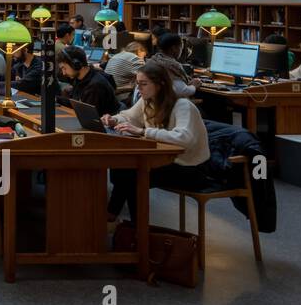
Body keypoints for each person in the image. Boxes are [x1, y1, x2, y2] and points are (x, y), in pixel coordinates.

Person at [104, 61, 210, 222]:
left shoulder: (182, 106)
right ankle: (124, 222)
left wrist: (144, 132)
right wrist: (114, 119)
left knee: (134, 174)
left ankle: (129, 225)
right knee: (125, 168)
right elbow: (129, 116)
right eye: (137, 84)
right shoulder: (147, 100)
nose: (138, 89)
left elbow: (183, 139)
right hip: (166, 160)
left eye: (143, 84)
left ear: (160, 85)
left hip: (190, 167)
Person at [58, 46, 119, 117]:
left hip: (101, 125)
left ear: (76, 65)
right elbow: (76, 103)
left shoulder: (95, 86)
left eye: (64, 68)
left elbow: (89, 116)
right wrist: (56, 99)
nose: (64, 73)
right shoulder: (80, 78)